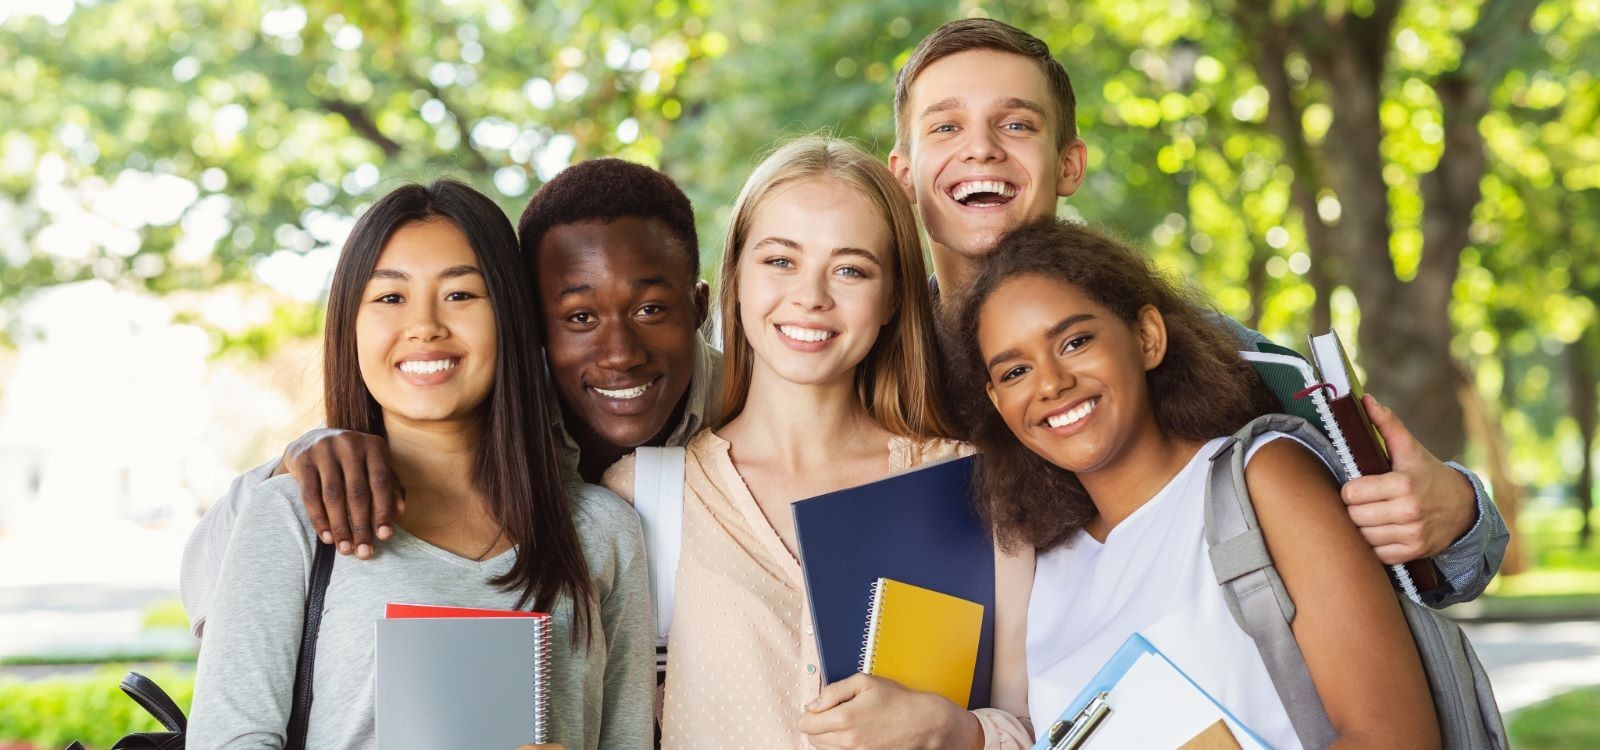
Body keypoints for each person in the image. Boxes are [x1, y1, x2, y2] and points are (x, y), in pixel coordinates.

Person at [886, 17, 1507, 606]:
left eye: (1017, 124)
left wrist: (1455, 515)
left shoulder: (1213, 356)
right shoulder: (867, 367)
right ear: (903, 176)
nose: (982, 150)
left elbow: (1413, 569)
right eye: (945, 127)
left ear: (1069, 164)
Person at [185, 180, 653, 748]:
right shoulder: (292, 517)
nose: (426, 325)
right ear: (350, 325)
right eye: (390, 298)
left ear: (510, 317)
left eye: (460, 295)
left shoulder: (604, 532)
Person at [601, 136, 1034, 748]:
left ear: (892, 299)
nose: (811, 296)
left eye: (851, 269)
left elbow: (1047, 722)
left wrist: (956, 731)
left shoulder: (975, 490)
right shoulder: (642, 498)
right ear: (737, 278)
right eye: (780, 260)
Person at [179, 159, 719, 636]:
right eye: (579, 317)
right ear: (528, 322)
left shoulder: (750, 409)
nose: (620, 353)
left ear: (698, 307)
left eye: (650, 310)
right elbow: (212, 593)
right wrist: (296, 463)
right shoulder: (469, 419)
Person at [962, 218, 1439, 748]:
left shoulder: (1264, 478)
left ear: (1147, 337)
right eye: (1014, 372)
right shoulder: (1042, 569)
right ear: (996, 402)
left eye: (1075, 342)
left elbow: (1395, 737)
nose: (1051, 383)